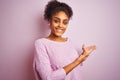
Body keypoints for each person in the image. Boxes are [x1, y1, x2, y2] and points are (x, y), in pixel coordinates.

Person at [33, 0, 96, 80]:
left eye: (65, 22)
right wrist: (78, 61)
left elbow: (74, 70)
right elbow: (47, 78)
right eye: (56, 21)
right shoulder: (41, 44)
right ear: (49, 20)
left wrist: (83, 56)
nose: (60, 26)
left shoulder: (68, 41)